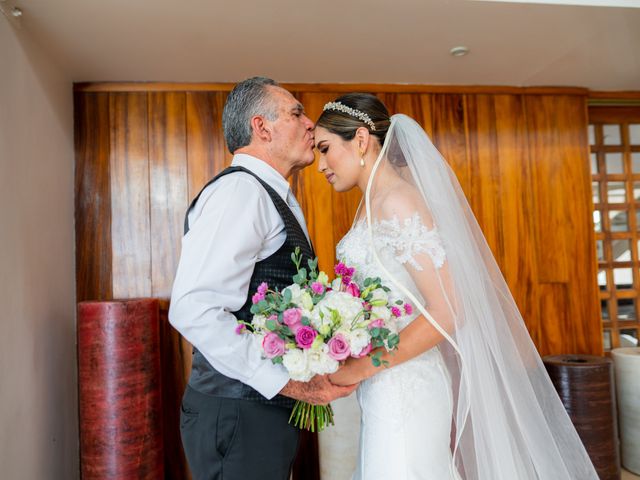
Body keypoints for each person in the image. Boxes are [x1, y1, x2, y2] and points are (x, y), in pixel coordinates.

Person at [314, 93, 599, 480]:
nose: (320, 165)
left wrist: (364, 365)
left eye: (326, 149)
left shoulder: (398, 202)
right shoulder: (369, 204)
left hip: (407, 387)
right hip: (382, 387)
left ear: (361, 140)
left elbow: (448, 310)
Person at [169, 77, 356, 480]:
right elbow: (193, 309)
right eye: (296, 113)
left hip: (256, 415)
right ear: (262, 127)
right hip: (238, 414)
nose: (311, 123)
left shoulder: (270, 195)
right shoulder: (241, 193)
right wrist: (289, 383)